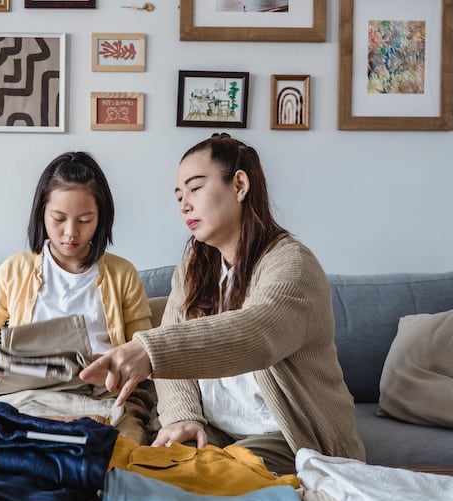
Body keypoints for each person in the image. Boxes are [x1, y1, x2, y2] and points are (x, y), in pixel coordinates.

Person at [80, 134, 365, 467]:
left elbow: (257, 333)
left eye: (196, 188)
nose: (185, 204)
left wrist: (149, 350)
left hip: (291, 437)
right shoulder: (193, 266)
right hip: (216, 431)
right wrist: (182, 418)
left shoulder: (292, 265)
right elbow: (176, 367)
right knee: (131, 468)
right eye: (179, 196)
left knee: (204, 478)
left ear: (239, 185)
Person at [0, 151, 154, 444]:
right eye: (58, 219)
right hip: (26, 400)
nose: (71, 233)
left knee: (125, 454)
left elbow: (147, 353)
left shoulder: (122, 273)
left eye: (85, 220)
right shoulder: (15, 270)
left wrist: (115, 367)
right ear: (41, 214)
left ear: (101, 218)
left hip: (103, 400)